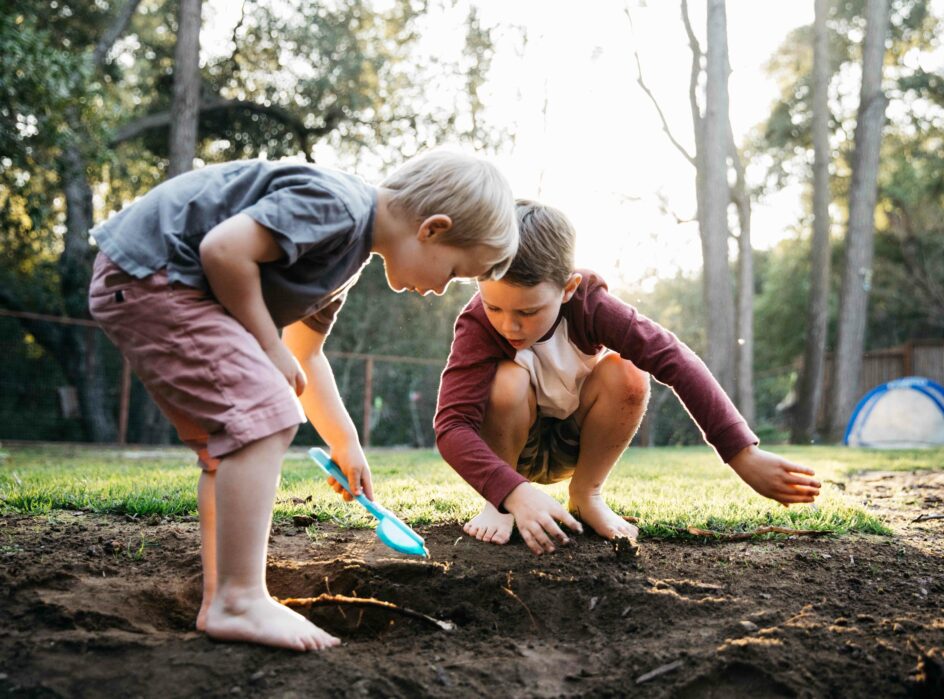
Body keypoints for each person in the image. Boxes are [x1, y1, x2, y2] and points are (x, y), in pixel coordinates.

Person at [88, 150, 517, 650]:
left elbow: (306, 356)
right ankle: (240, 599)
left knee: (224, 449)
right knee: (266, 417)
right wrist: (266, 344)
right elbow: (225, 250)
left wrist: (345, 441)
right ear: (432, 229)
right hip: (155, 274)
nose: (443, 287)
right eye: (456, 271)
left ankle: (222, 600)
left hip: (156, 280)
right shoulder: (338, 205)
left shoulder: (345, 261)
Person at [433, 199, 820, 556]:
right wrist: (510, 492)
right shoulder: (478, 324)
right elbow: (452, 424)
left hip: (576, 442)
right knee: (506, 381)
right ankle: (498, 505)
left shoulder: (592, 307)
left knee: (628, 372)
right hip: (511, 452)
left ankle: (586, 494)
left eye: (529, 311)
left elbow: (674, 359)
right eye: (494, 306)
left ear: (568, 289)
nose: (508, 325)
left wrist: (743, 453)